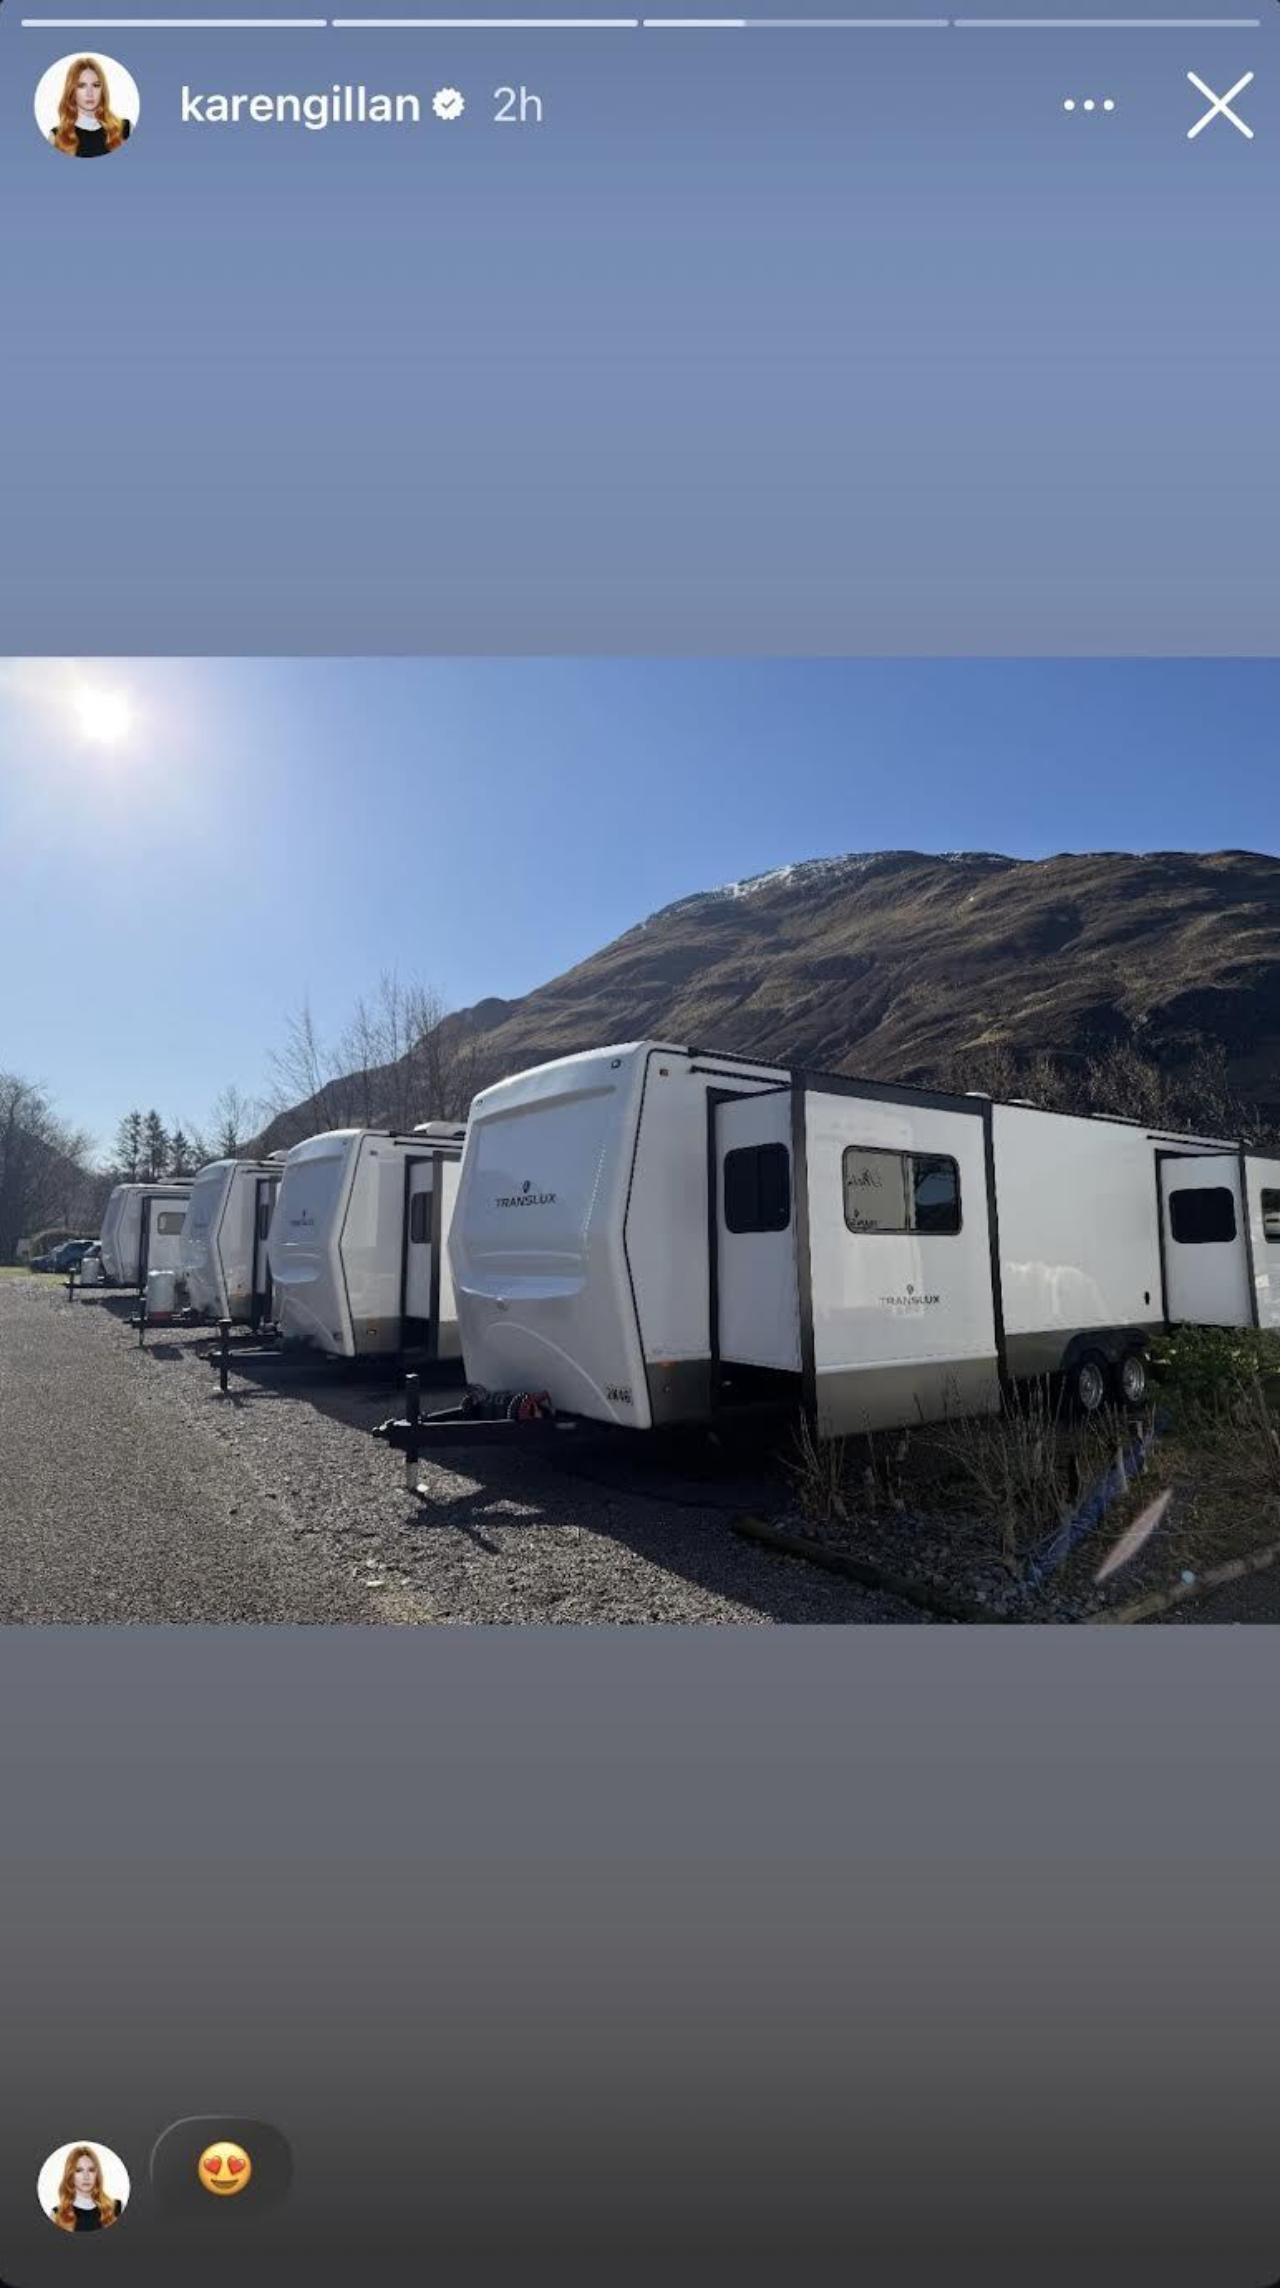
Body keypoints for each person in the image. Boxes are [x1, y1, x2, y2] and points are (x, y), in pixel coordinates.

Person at [49, 58, 132, 158]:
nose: (90, 93)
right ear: (72, 91)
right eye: (82, 86)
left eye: (96, 85)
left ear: (102, 90)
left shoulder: (125, 129)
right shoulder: (57, 138)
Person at [50, 2146, 123, 2232]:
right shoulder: (57, 2215)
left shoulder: (117, 2209)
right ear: (70, 2175)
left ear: (97, 2174)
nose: (86, 2176)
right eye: (79, 2170)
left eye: (91, 2170)